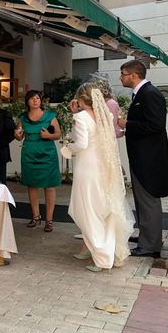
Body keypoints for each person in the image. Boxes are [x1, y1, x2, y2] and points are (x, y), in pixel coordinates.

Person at [62, 84, 134, 272]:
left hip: (87, 168)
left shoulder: (81, 117)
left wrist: (67, 148)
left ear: (81, 100)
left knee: (87, 210)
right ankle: (90, 247)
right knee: (103, 208)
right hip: (103, 167)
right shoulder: (106, 116)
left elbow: (81, 144)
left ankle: (102, 258)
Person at [118, 60, 168, 257]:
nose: (120, 77)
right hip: (142, 157)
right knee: (142, 201)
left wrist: (127, 123)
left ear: (133, 75)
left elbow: (156, 125)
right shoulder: (142, 94)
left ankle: (150, 246)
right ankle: (147, 237)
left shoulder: (150, 94)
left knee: (148, 200)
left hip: (149, 160)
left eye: (123, 74)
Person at [14, 90, 62, 232]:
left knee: (49, 186)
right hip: (29, 153)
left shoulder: (50, 116)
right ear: (27, 102)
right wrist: (17, 134)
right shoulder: (22, 118)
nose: (35, 100)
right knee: (32, 185)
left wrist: (48, 135)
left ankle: (49, 220)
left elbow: (58, 134)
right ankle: (35, 216)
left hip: (47, 153)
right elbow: (19, 136)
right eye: (32, 98)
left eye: (37, 98)